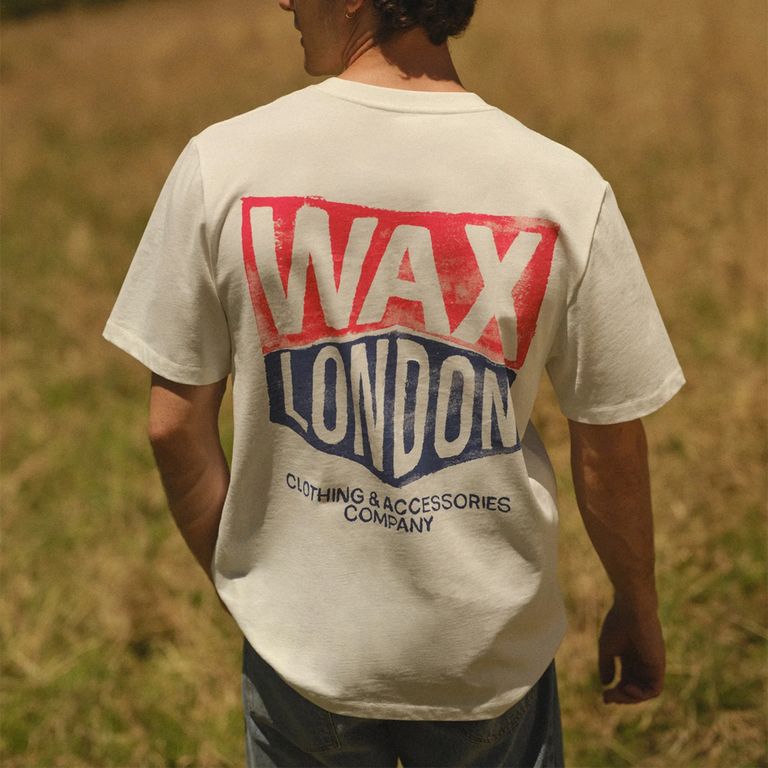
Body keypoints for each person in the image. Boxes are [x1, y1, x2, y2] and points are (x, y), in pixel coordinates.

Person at [102, 0, 685, 765]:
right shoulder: (562, 186)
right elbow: (608, 443)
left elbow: (173, 425)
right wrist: (637, 604)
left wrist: (256, 590)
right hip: (484, 656)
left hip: (304, 657)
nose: (284, 1)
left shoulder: (224, 163)